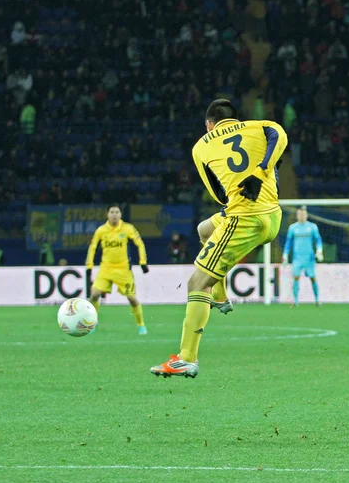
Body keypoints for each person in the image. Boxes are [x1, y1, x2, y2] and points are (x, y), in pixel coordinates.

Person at [150, 99, 287, 378]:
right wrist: (263, 169)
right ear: (236, 120)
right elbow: (280, 135)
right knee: (205, 229)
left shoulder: (201, 145)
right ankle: (221, 296)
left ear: (208, 124)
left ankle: (186, 358)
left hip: (244, 219)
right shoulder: (260, 127)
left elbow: (218, 194)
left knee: (197, 282)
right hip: (272, 215)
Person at [85, 204, 149, 335]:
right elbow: (92, 247)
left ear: (120, 214)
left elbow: (140, 244)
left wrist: (143, 262)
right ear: (107, 214)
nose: (114, 214)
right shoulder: (101, 230)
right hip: (106, 268)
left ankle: (141, 325)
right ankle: (93, 321)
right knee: (94, 294)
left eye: (117, 212)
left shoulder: (127, 228)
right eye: (112, 212)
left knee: (132, 298)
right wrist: (89, 266)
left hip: (123, 269)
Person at [282, 206, 324, 306]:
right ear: (297, 215)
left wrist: (319, 251)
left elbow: (318, 240)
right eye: (299, 214)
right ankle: (296, 301)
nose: (301, 216)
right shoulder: (293, 228)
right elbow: (288, 242)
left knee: (313, 278)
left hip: (309, 258)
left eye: (303, 214)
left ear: (306, 215)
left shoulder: (312, 227)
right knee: (296, 278)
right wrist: (285, 255)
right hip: (297, 258)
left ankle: (317, 299)